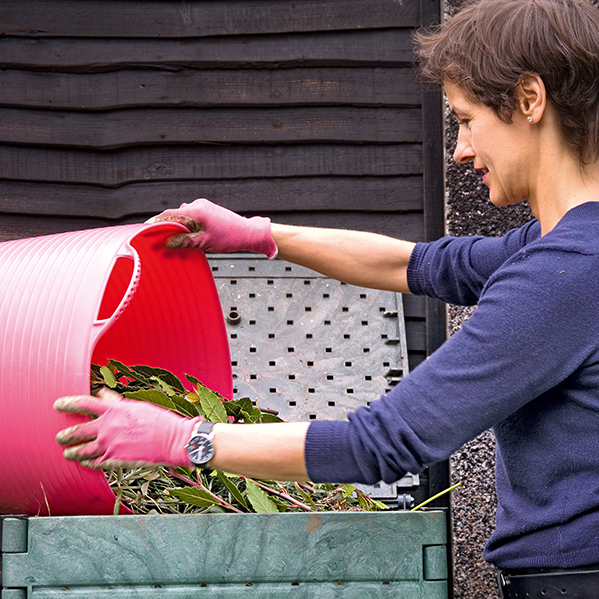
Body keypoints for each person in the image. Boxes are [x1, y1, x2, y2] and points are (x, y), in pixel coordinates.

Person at [54, 0, 599, 596]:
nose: (460, 151)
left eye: (466, 120)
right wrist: (263, 236)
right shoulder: (560, 249)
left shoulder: (563, 274)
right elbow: (412, 263)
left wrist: (184, 440)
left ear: (528, 99)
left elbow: (383, 443)